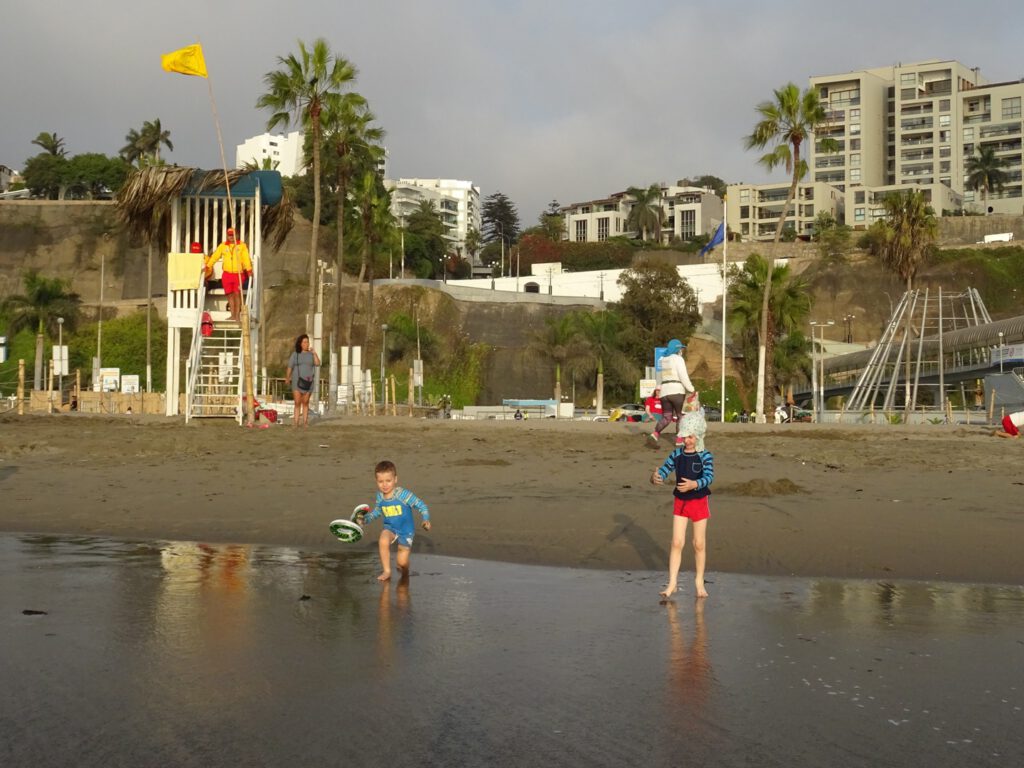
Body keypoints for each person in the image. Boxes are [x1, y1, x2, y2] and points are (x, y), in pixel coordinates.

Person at [650, 411, 713, 598]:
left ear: (699, 436)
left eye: (691, 437)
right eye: (685, 436)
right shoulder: (676, 454)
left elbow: (709, 477)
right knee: (677, 542)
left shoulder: (705, 456)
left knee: (698, 544)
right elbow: (664, 470)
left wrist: (695, 484)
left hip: (699, 501)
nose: (687, 440)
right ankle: (672, 583)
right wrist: (655, 477)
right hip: (680, 502)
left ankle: (699, 581)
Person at [361, 460, 431, 582]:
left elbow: (422, 505)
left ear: (395, 479)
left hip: (406, 531)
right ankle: (387, 571)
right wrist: (364, 520)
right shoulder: (380, 496)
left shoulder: (403, 494)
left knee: (401, 563)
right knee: (383, 539)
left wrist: (426, 519)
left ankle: (405, 572)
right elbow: (377, 512)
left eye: (388, 480)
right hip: (390, 528)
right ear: (376, 481)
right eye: (380, 481)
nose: (385, 485)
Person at [650, 339, 696, 447]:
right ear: (677, 349)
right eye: (680, 348)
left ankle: (655, 433)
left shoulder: (663, 360)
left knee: (667, 416)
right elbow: (683, 376)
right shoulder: (678, 359)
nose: (681, 350)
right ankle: (679, 439)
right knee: (681, 416)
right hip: (677, 391)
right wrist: (691, 389)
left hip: (664, 392)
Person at [203, 227, 252, 322]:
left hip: (238, 274)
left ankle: (237, 315)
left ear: (236, 235)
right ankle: (232, 315)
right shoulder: (223, 246)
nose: (231, 237)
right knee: (229, 295)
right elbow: (215, 257)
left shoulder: (242, 246)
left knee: (237, 294)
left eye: (232, 234)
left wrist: (249, 269)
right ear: (227, 236)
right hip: (227, 274)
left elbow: (246, 259)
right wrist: (208, 266)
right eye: (229, 235)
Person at [286, 334, 320, 427]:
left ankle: (305, 422)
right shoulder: (295, 354)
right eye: (304, 342)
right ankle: (295, 423)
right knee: (297, 402)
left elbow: (317, 363)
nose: (307, 344)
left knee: (305, 402)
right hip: (297, 381)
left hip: (309, 382)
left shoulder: (311, 354)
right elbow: (290, 367)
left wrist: (314, 353)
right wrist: (287, 378)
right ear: (300, 344)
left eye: (307, 342)